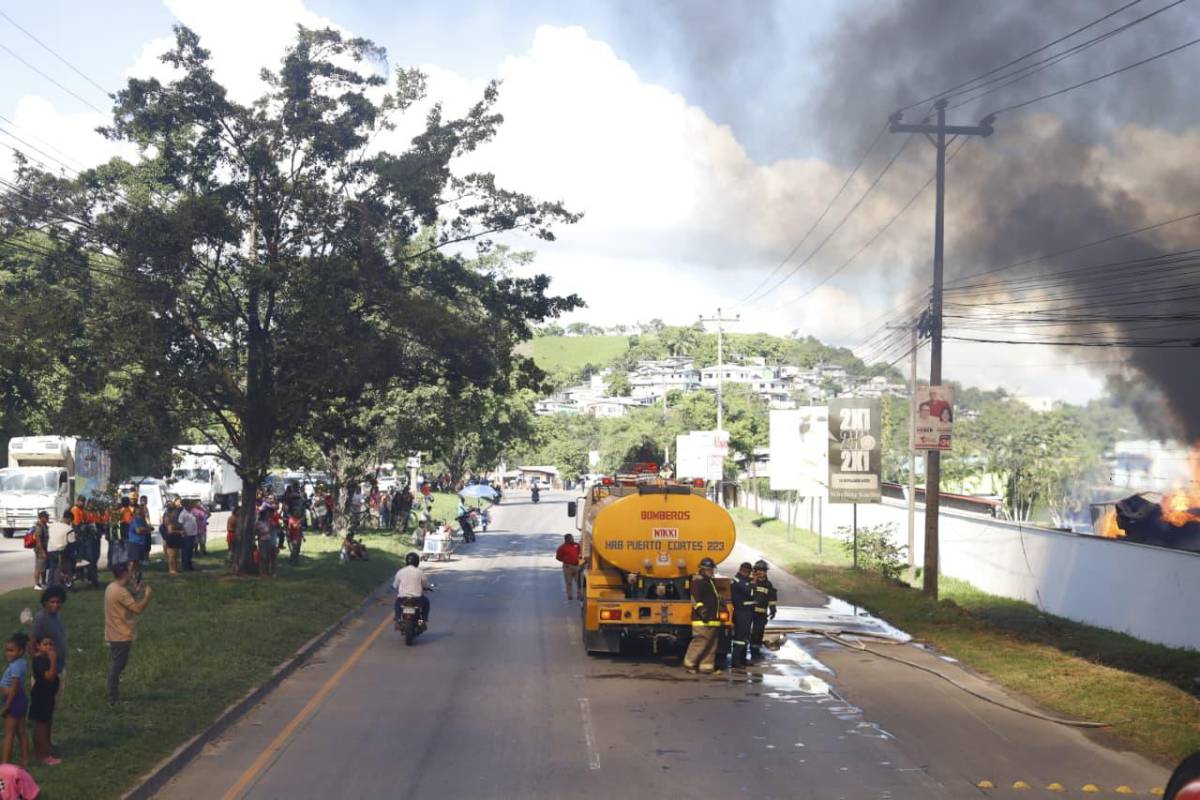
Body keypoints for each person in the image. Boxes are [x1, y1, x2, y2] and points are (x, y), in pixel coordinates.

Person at [104, 562, 152, 705]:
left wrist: (135, 592)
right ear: (124, 573)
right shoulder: (121, 591)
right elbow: (137, 609)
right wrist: (147, 596)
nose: (132, 574)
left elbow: (123, 601)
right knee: (118, 665)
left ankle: (113, 694)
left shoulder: (111, 587)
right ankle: (113, 697)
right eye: (130, 571)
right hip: (121, 634)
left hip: (113, 632)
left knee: (118, 664)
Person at [683, 557, 722, 674]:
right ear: (703, 570)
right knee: (700, 642)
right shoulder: (697, 581)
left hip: (712, 619)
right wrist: (702, 611)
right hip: (702, 620)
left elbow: (712, 597)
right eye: (710, 570)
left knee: (711, 645)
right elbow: (695, 599)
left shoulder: (709, 581)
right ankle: (690, 665)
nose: (712, 572)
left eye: (712, 570)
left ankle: (706, 667)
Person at [30, 587, 67, 701]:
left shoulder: (58, 616)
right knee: (44, 706)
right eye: (52, 602)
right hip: (47, 670)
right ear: (45, 602)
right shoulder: (40, 618)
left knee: (54, 704)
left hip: (59, 667)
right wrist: (38, 660)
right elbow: (32, 642)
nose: (56, 605)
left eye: (58, 602)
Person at [0, 633, 31, 767]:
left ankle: (5, 763)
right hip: (19, 699)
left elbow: (14, 688)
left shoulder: (16, 666)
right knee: (21, 731)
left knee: (9, 733)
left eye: (12, 650)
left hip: (14, 700)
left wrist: (7, 705)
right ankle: (25, 760)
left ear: (21, 651)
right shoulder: (20, 663)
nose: (8, 653)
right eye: (7, 650)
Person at [29, 635, 60, 765]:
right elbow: (49, 676)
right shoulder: (40, 660)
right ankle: (42, 756)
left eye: (50, 644)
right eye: (45, 644)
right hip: (41, 696)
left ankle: (42, 752)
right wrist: (53, 660)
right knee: (41, 726)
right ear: (38, 646)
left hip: (47, 696)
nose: (48, 647)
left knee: (45, 723)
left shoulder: (44, 659)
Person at [391, 552, 431, 629]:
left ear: (406, 561)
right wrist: (428, 587)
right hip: (417, 599)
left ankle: (398, 619)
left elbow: (395, 585)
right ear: (417, 562)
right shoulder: (420, 572)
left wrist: (392, 587)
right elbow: (426, 584)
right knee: (426, 602)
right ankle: (422, 620)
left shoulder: (400, 571)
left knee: (397, 604)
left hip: (403, 599)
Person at [749, 560, 778, 661]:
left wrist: (773, 609)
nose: (761, 572)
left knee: (758, 633)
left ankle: (755, 653)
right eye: (759, 570)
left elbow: (771, 598)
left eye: (763, 570)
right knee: (745, 633)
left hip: (761, 613)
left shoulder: (768, 584)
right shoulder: (750, 581)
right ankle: (742, 654)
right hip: (749, 612)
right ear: (754, 570)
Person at [729, 562, 755, 669]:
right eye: (749, 572)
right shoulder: (737, 581)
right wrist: (753, 583)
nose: (749, 575)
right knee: (740, 637)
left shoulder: (744, 581)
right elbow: (750, 592)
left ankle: (743, 659)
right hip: (741, 613)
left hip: (747, 613)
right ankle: (736, 661)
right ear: (745, 571)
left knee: (745, 637)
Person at [555, 534, 582, 602]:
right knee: (569, 582)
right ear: (566, 539)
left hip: (576, 566)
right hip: (568, 567)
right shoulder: (562, 548)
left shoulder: (576, 545)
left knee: (579, 582)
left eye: (572, 538)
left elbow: (579, 552)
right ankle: (570, 596)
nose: (572, 539)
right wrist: (565, 560)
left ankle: (579, 595)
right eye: (570, 538)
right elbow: (558, 557)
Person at [29, 511, 49, 591]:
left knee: (43, 567)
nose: (47, 518)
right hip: (40, 549)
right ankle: (37, 584)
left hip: (45, 548)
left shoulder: (45, 526)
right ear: (41, 518)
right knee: (38, 567)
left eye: (47, 516)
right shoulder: (39, 527)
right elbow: (38, 541)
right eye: (46, 517)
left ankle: (43, 583)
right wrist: (42, 552)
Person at [255, 508, 277, 578]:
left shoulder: (269, 521)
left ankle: (267, 572)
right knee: (263, 557)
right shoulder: (258, 523)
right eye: (266, 514)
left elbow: (275, 526)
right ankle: (261, 572)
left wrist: (272, 524)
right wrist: (265, 532)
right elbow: (256, 532)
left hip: (269, 540)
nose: (268, 516)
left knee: (268, 557)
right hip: (262, 540)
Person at [179, 499, 198, 571]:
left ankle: (189, 565)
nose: (191, 506)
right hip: (187, 535)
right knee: (186, 551)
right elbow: (180, 524)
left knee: (190, 551)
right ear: (186, 505)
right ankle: (185, 566)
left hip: (193, 534)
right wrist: (183, 532)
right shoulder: (183, 513)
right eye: (190, 504)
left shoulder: (191, 512)